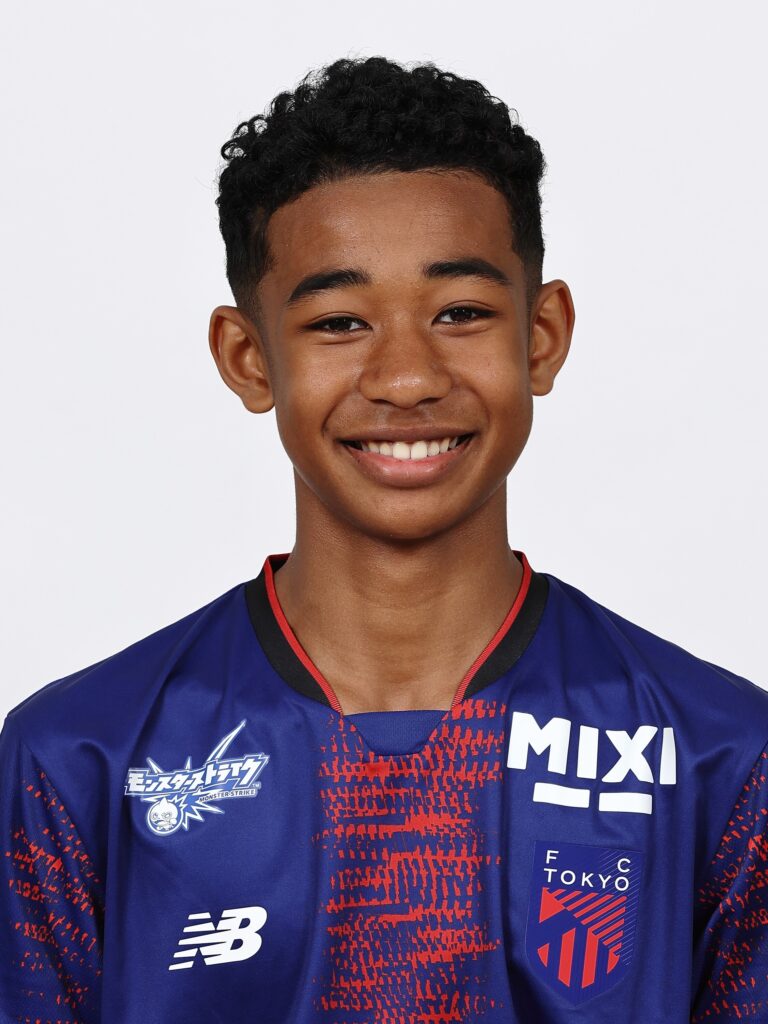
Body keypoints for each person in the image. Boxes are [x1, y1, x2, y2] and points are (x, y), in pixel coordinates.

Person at [0, 56, 765, 1024]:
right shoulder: (82, 756)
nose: (406, 376)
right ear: (248, 356)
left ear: (541, 335)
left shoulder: (718, 753)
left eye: (461, 313)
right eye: (339, 321)